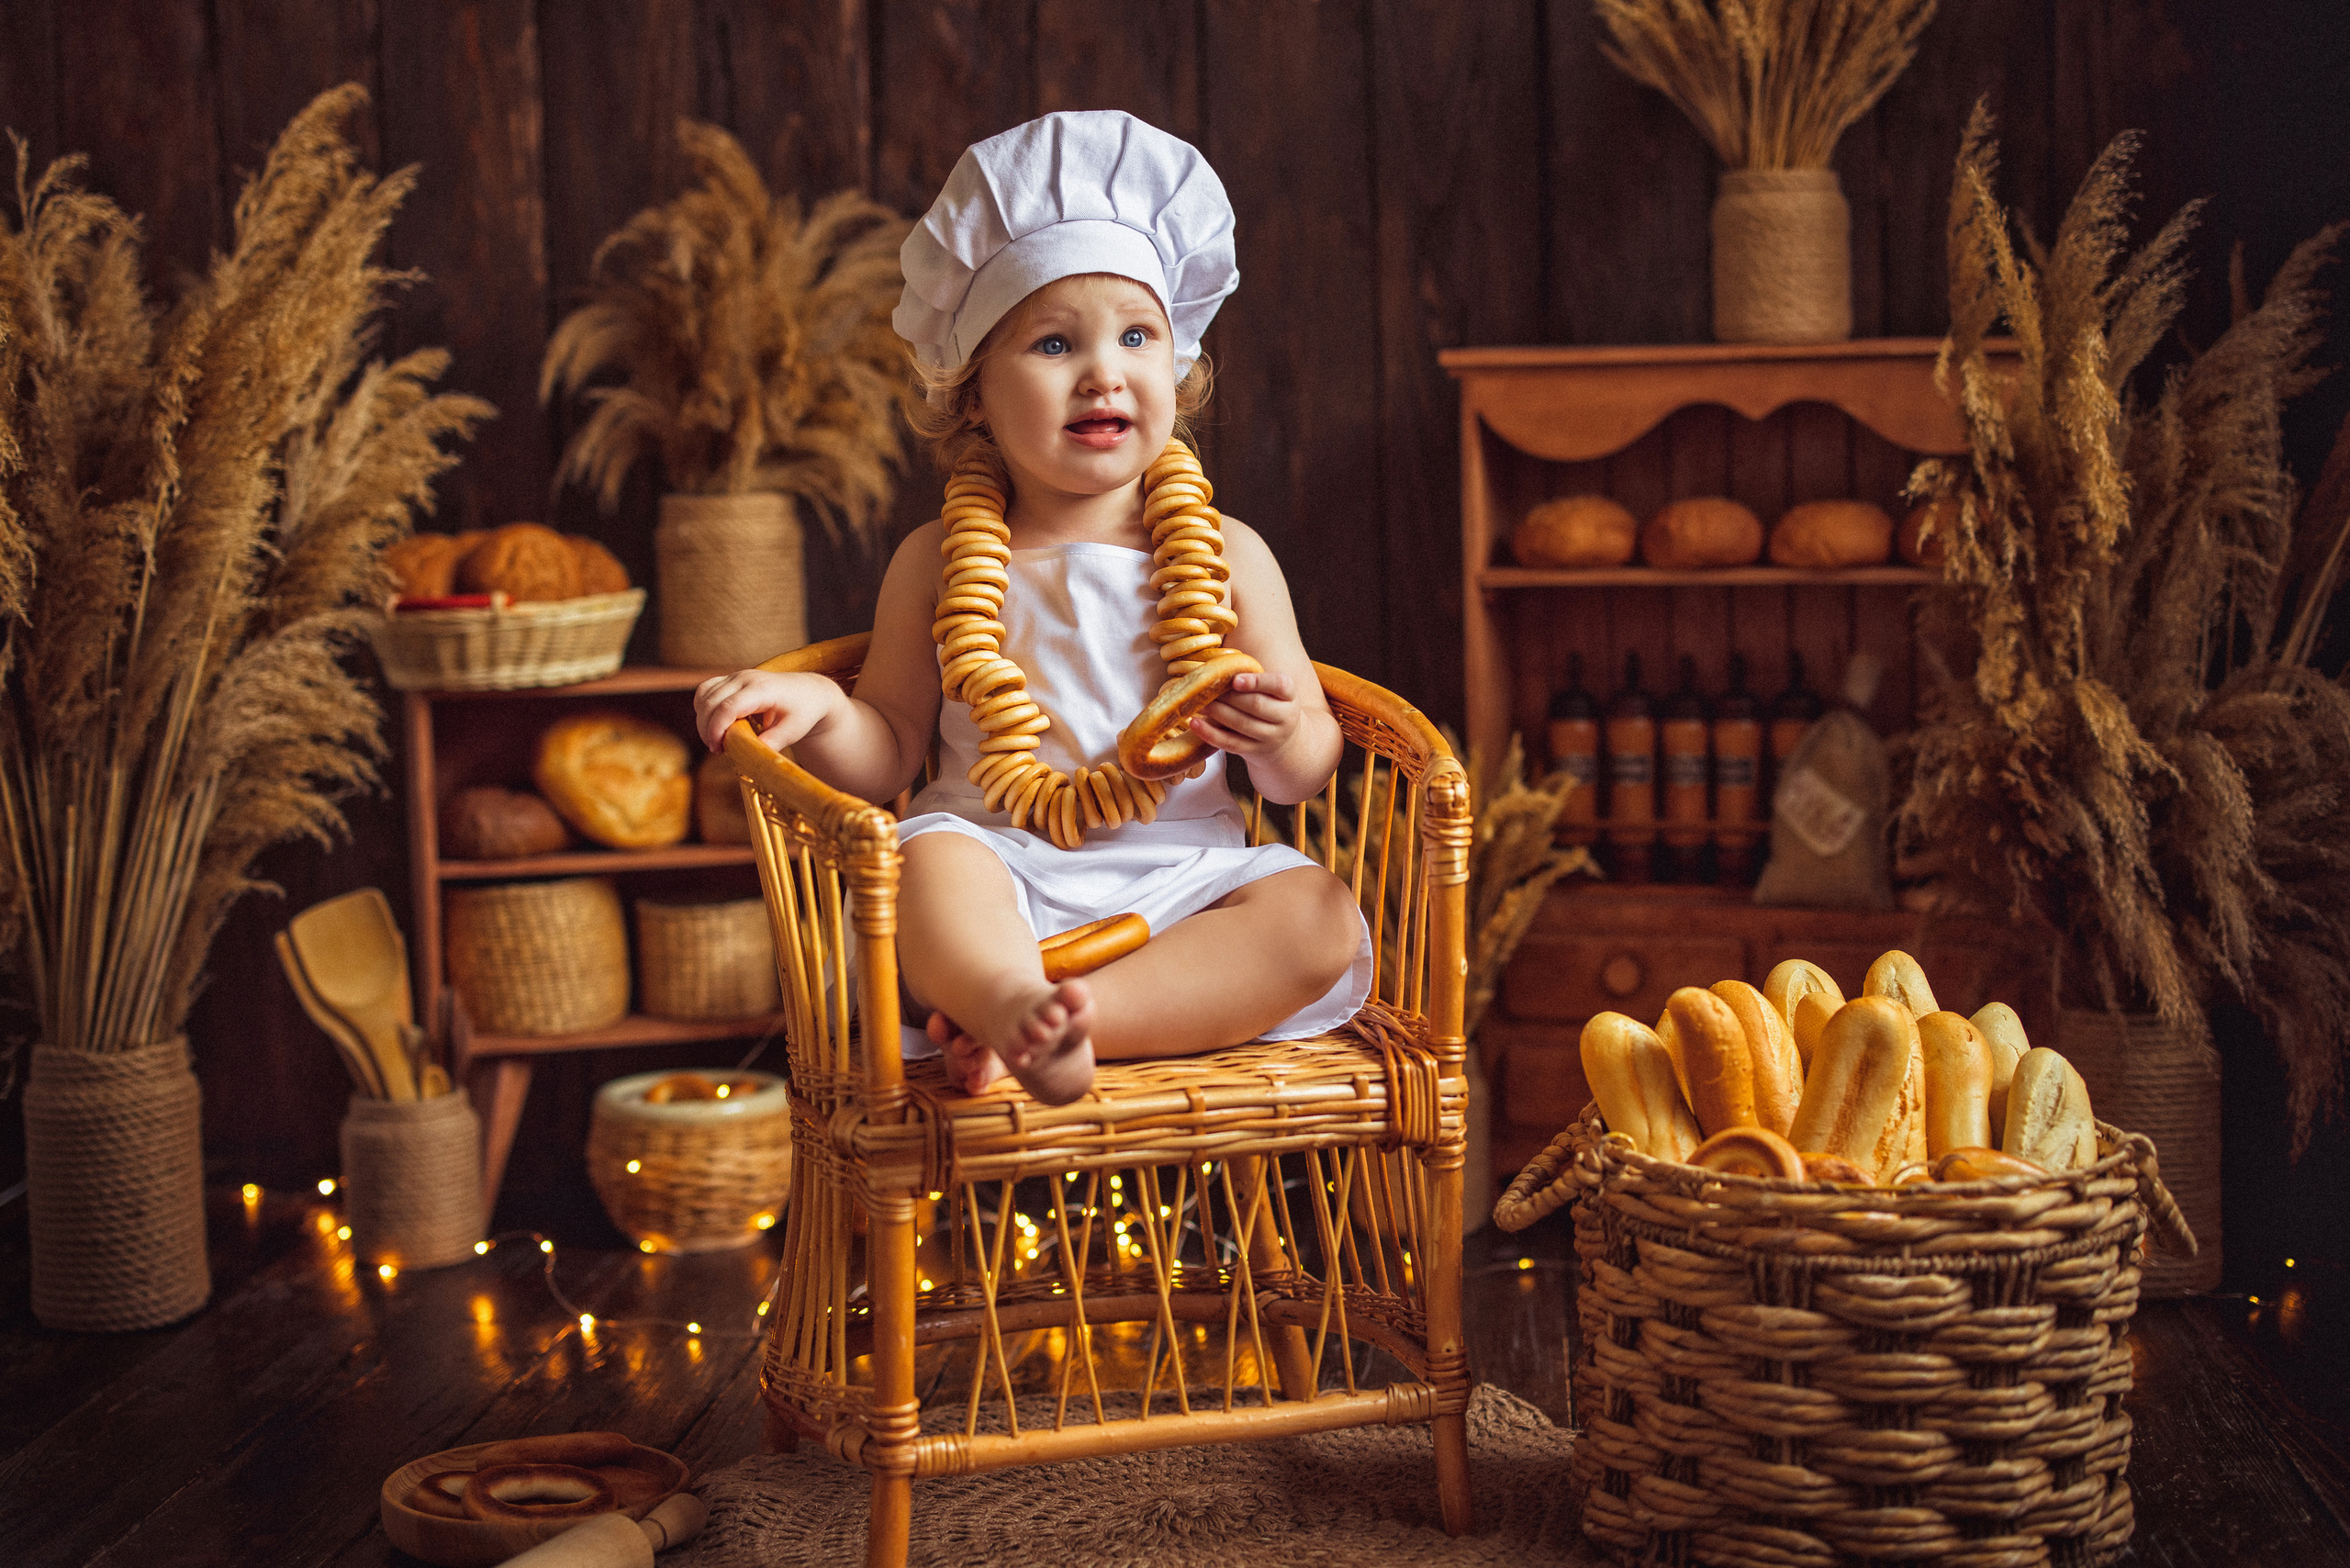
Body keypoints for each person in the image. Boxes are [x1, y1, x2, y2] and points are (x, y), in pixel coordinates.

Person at [694, 111, 1367, 1106]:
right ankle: (1007, 994)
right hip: (998, 867)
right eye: (1054, 342)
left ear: (1175, 370)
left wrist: (1278, 734)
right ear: (972, 394)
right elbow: (891, 746)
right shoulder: (936, 559)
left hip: (1183, 880)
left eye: (1137, 335)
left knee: (1317, 914)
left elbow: (1310, 763)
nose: (1103, 370)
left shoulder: (1228, 556)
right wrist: (828, 716)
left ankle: (1066, 1023)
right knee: (924, 869)